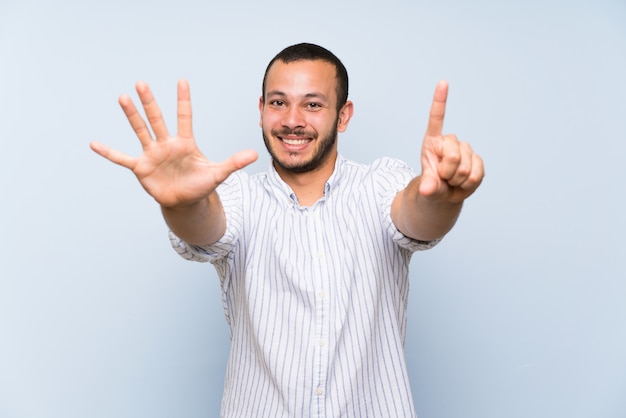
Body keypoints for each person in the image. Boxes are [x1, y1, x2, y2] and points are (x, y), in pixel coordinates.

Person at [90, 43, 484, 418]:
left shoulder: (379, 184)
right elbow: (204, 228)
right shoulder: (236, 196)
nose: (292, 120)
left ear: (343, 116)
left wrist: (444, 197)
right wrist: (182, 201)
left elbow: (417, 215)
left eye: (313, 105)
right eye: (278, 103)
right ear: (261, 109)